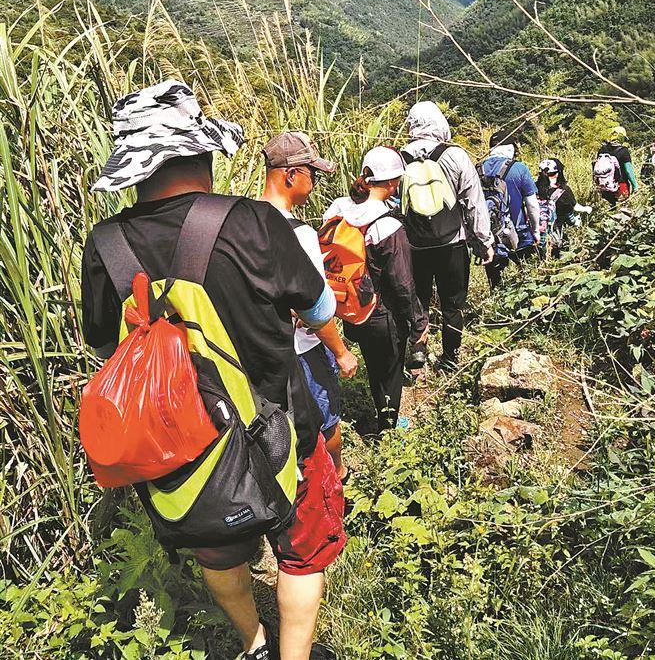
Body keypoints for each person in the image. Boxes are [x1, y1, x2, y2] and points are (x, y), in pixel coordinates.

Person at [81, 81, 343, 660]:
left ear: (135, 168)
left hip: (181, 444)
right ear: (202, 152)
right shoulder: (251, 221)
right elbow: (317, 304)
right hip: (284, 425)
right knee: (302, 550)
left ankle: (251, 644)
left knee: (218, 551)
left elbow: (105, 342)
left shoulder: (104, 246)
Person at [260, 130, 358, 481]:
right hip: (305, 349)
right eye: (312, 173)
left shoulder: (244, 220)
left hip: (263, 351)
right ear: (290, 175)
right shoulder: (298, 232)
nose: (315, 181)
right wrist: (342, 352)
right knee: (326, 418)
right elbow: (315, 306)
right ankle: (337, 477)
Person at [322, 146, 428, 432]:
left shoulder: (340, 209)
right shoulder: (387, 223)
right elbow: (403, 284)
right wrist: (419, 323)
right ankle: (390, 428)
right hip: (384, 314)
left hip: (353, 308)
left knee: (375, 367)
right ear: (392, 183)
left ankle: (383, 415)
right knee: (391, 371)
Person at [401, 101, 494, 370]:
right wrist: (484, 241)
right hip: (451, 243)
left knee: (418, 299)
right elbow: (474, 202)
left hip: (414, 245)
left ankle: (418, 347)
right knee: (453, 303)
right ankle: (451, 358)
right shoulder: (455, 156)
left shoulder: (399, 158)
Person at [482, 129, 541, 290]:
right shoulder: (519, 168)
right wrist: (535, 231)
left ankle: (498, 309)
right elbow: (532, 204)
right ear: (511, 148)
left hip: (490, 236)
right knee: (530, 279)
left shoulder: (478, 169)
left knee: (495, 285)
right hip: (519, 233)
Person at [536, 158, 578, 256]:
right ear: (558, 173)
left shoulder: (533, 188)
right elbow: (570, 216)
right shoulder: (564, 191)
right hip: (555, 235)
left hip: (535, 235)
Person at [596, 126, 638, 205]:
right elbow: (628, 170)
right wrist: (635, 186)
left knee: (609, 208)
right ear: (621, 137)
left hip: (605, 185)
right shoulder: (624, 151)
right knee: (622, 209)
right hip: (620, 185)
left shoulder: (602, 149)